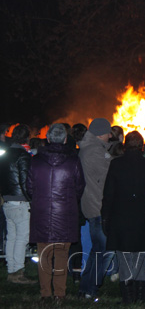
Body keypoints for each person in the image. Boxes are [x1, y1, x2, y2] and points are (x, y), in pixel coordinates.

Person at [27, 123, 85, 302]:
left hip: (42, 213)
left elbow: (29, 188)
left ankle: (46, 294)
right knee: (61, 255)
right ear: (66, 139)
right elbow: (79, 187)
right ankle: (59, 293)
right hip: (65, 214)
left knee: (44, 255)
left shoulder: (36, 161)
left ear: (49, 138)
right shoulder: (74, 161)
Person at [102, 131, 145, 304]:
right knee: (140, 256)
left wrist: (105, 217)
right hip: (141, 215)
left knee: (124, 257)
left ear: (125, 145)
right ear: (141, 146)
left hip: (121, 216)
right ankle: (140, 297)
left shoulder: (117, 164)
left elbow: (108, 194)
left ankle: (128, 297)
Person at [78, 117, 113, 299]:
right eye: (108, 132)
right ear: (101, 133)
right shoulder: (94, 152)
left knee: (97, 250)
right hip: (97, 206)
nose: (110, 136)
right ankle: (91, 289)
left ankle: (85, 288)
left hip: (93, 204)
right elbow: (110, 172)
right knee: (105, 251)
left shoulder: (91, 149)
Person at [0, 124, 35, 285]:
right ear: (27, 137)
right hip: (21, 201)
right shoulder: (23, 156)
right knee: (22, 238)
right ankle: (18, 272)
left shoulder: (6, 154)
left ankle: (11, 270)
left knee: (11, 237)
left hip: (8, 200)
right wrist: (31, 198)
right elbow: (25, 180)